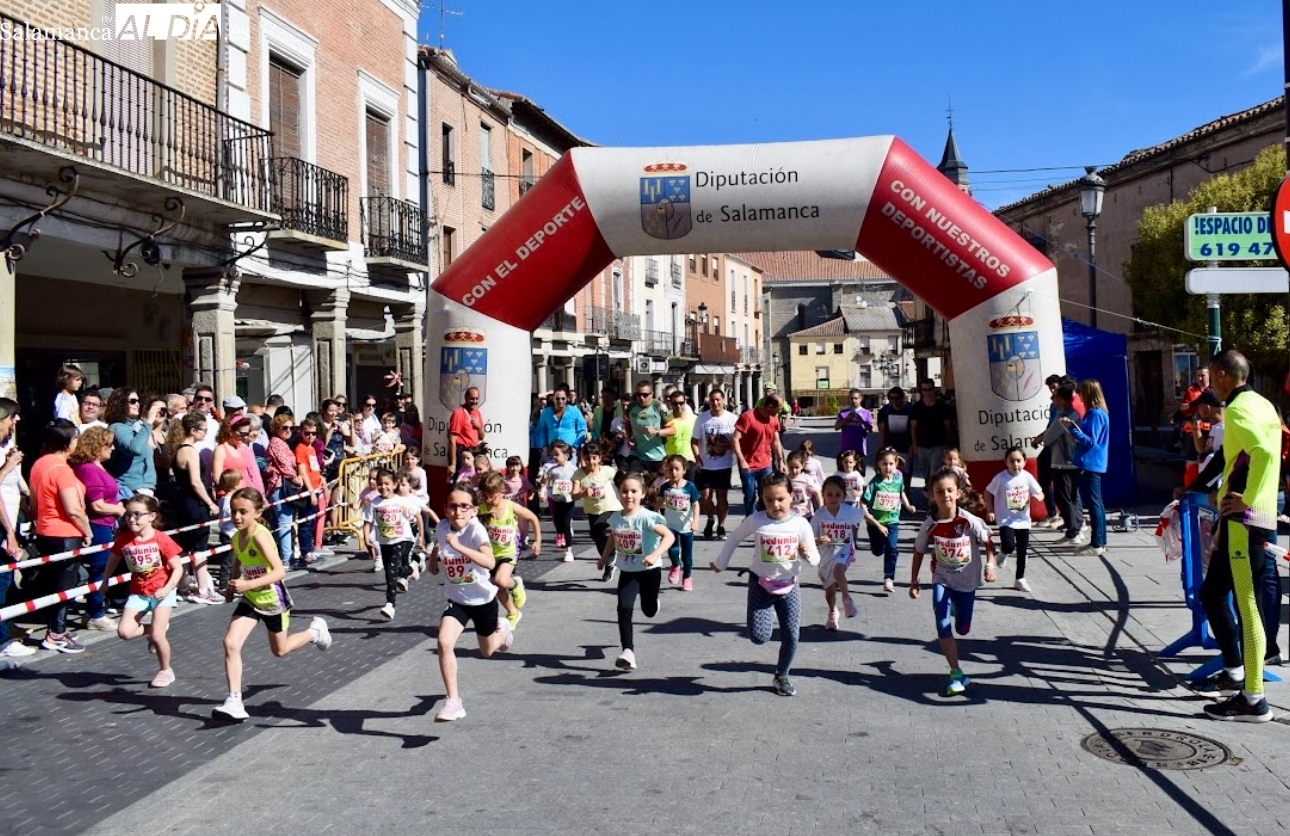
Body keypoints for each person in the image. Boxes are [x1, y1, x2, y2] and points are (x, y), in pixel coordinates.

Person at [1197, 350, 1281, 722]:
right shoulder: (1262, 403)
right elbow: (1244, 457)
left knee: (1247, 605)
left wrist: (1246, 499)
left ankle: (1254, 698)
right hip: (1248, 516)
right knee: (1213, 592)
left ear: (1220, 374)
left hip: (1245, 520)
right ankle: (1234, 672)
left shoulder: (1237, 409)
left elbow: (1262, 453)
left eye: (1211, 377)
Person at [212, 488, 333, 723]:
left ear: (258, 512)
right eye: (234, 512)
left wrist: (247, 584)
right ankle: (234, 701)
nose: (237, 517)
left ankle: (315, 632)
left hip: (272, 600)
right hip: (251, 598)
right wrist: (231, 587)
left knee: (280, 650)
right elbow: (239, 562)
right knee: (230, 643)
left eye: (243, 512)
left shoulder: (261, 535)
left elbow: (279, 572)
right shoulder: (237, 537)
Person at [712, 472, 820, 696]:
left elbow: (815, 559)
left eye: (780, 499)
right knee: (759, 637)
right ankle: (765, 614)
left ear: (791, 496)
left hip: (789, 586)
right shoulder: (757, 519)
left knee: (792, 635)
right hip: (761, 585)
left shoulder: (800, 524)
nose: (775, 505)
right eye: (769, 500)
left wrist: (806, 554)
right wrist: (721, 563)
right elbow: (734, 537)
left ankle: (782, 675)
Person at [429, 482, 514, 722]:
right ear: (445, 508)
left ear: (474, 510)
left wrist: (458, 546)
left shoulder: (476, 531)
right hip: (457, 600)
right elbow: (438, 554)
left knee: (487, 651)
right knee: (444, 641)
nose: (458, 511)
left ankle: (503, 630)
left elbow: (489, 562)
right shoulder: (442, 528)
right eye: (452, 506)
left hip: (483, 601)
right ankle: (453, 701)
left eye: (464, 506)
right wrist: (434, 558)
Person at [910, 468, 997, 696]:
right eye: (940, 492)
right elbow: (918, 551)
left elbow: (989, 543)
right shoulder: (930, 524)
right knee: (942, 624)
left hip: (967, 581)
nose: (945, 495)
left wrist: (990, 565)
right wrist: (914, 581)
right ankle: (956, 672)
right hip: (942, 578)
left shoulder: (969, 521)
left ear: (958, 493)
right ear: (932, 496)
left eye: (949, 490)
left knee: (963, 629)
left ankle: (957, 608)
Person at [101, 494, 184, 688]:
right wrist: (105, 580)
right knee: (125, 632)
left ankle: (165, 670)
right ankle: (152, 630)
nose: (132, 519)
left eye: (137, 515)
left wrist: (167, 588)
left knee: (158, 636)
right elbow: (113, 559)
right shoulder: (124, 539)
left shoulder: (161, 539)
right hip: (139, 592)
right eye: (128, 515)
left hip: (162, 592)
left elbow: (178, 568)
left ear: (152, 516)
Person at [597, 472, 674, 670]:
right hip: (628, 572)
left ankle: (652, 601)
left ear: (642, 494)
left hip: (650, 571)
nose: (628, 495)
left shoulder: (646, 517)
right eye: (624, 491)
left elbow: (669, 537)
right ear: (619, 494)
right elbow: (613, 537)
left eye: (633, 491)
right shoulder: (616, 518)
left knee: (649, 611)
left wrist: (655, 555)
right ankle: (628, 651)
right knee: (624, 608)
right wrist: (605, 558)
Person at [30, 419, 93, 653]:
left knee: (54, 582)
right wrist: (87, 531)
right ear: (67, 443)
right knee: (64, 586)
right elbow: (73, 509)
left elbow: (34, 501)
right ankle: (56, 633)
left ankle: (57, 626)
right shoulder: (62, 470)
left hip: (45, 530)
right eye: (75, 438)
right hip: (65, 533)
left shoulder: (39, 464)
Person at [69, 425, 124, 631]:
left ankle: (95, 610)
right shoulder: (89, 469)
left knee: (103, 570)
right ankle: (95, 613)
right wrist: (120, 510)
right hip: (97, 525)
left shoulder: (97, 467)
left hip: (106, 524)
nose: (112, 448)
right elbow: (97, 504)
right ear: (96, 445)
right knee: (100, 570)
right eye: (108, 444)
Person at [166, 413, 222, 600]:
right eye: (204, 430)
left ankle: (183, 587)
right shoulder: (189, 451)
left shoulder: (177, 450)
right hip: (194, 503)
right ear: (193, 430)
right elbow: (196, 482)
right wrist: (211, 503)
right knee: (199, 547)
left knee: (183, 546)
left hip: (182, 502)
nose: (206, 434)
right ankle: (204, 590)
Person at [478, 470, 540, 628]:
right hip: (491, 553)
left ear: (501, 493)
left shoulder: (510, 507)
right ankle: (513, 613)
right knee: (496, 587)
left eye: (491, 496)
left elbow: (533, 517)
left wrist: (537, 541)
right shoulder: (481, 508)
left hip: (509, 551)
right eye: (484, 496)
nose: (487, 499)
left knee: (500, 580)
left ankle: (515, 584)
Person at [364, 468, 424, 621]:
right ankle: (413, 566)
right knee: (389, 573)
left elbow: (417, 514)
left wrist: (421, 536)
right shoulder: (374, 503)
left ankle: (390, 604)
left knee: (392, 571)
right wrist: (366, 540)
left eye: (387, 483)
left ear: (394, 484)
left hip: (401, 539)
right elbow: (367, 522)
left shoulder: (401, 500)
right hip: (384, 542)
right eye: (380, 484)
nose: (383, 487)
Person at [1060, 379, 1110, 556]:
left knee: (1094, 503)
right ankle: (1100, 541)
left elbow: (1090, 440)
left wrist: (1071, 429)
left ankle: (1097, 543)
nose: (1079, 395)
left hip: (1090, 462)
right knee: (1097, 503)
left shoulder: (1095, 414)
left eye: (1081, 392)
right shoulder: (1098, 413)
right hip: (1093, 462)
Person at [0, 399, 34, 657]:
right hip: (2, 526)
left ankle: (7, 627)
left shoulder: (6, 447)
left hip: (12, 520)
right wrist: (9, 533)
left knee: (9, 580)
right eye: (13, 416)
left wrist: (29, 500)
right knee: (1, 582)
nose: (17, 420)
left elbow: (14, 484)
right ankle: (2, 641)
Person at [984, 447, 1044, 594]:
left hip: (1023, 520)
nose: (1015, 464)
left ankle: (1020, 578)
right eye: (1012, 461)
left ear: (1024, 462)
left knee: (1023, 550)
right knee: (1009, 545)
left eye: (1018, 461)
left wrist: (1038, 496)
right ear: (1006, 462)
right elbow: (987, 492)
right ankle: (1003, 552)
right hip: (1006, 519)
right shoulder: (1001, 478)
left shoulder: (1027, 477)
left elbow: (1040, 492)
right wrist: (990, 510)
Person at [813, 474, 865, 630]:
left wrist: (879, 525)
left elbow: (865, 515)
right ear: (823, 495)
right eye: (829, 494)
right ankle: (832, 612)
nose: (833, 498)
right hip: (825, 554)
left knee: (838, 570)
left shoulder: (849, 511)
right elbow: (810, 537)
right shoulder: (819, 515)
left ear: (843, 497)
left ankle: (847, 599)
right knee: (829, 590)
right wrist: (819, 540)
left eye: (838, 495)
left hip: (845, 549)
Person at [862, 448, 915, 594]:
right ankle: (879, 548)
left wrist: (908, 506)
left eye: (891, 464)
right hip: (875, 523)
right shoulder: (875, 483)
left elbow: (901, 493)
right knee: (877, 551)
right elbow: (863, 502)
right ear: (879, 464)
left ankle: (889, 578)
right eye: (884, 464)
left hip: (892, 521)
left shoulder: (898, 480)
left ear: (896, 464)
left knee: (892, 548)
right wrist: (870, 518)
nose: (888, 467)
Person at [1035, 384, 1082, 538]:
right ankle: (1076, 525)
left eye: (1054, 396)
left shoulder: (1064, 415)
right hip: (1074, 460)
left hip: (1063, 461)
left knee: (1063, 497)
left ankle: (1073, 531)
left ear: (1061, 399)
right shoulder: (1075, 412)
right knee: (1073, 495)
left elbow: (1048, 438)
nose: (1052, 398)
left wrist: (1044, 437)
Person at [694, 387, 738, 540]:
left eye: (718, 400)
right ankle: (710, 518)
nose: (715, 403)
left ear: (723, 401)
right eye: (712, 400)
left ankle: (721, 526)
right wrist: (697, 457)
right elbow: (694, 440)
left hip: (723, 465)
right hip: (705, 465)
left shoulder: (732, 418)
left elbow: (737, 441)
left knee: (722, 496)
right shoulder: (702, 418)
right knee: (705, 496)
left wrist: (725, 446)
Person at [732, 394, 786, 517]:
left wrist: (780, 460)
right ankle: (750, 519)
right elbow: (735, 439)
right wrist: (742, 460)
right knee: (749, 496)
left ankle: (767, 519)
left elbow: (775, 441)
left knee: (767, 494)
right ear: (770, 406)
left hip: (765, 464)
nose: (780, 411)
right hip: (748, 465)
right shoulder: (748, 417)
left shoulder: (774, 419)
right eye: (779, 408)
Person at [105, 388, 164, 498]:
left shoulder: (136, 427)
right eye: (132, 401)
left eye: (138, 401)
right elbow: (133, 448)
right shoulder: (117, 427)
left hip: (145, 487)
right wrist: (149, 422)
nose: (137, 404)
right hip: (130, 488)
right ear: (120, 403)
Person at [572, 442, 621, 574]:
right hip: (593, 511)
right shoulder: (579, 474)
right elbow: (574, 495)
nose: (591, 462)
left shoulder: (606, 471)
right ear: (583, 458)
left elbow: (620, 477)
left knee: (599, 530)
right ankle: (609, 560)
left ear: (600, 458)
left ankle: (612, 555)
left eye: (594, 458)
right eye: (588, 458)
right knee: (595, 535)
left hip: (610, 508)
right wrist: (582, 494)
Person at [264, 413, 303, 572]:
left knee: (278, 523)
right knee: (284, 521)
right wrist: (295, 477)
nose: (288, 431)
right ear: (276, 428)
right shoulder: (276, 443)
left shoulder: (283, 443)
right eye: (284, 427)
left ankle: (277, 556)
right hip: (279, 485)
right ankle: (287, 558)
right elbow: (284, 464)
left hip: (281, 485)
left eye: (291, 428)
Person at [658, 454, 701, 591]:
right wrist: (656, 514)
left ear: (684, 470)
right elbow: (659, 502)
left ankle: (687, 577)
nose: (674, 472)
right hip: (670, 524)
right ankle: (675, 565)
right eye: (670, 469)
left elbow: (696, 505)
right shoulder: (665, 487)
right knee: (672, 549)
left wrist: (695, 521)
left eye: (677, 469)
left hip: (686, 526)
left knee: (687, 555)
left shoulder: (690, 486)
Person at [910, 379, 954, 499]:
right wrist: (914, 445)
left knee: (935, 472)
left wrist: (948, 444)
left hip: (939, 445)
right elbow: (913, 427)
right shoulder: (917, 407)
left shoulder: (943, 407)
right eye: (924, 390)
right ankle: (931, 495)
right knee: (926, 474)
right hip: (922, 445)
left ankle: (934, 499)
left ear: (934, 389)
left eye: (929, 390)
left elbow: (948, 426)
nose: (927, 393)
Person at [294, 418, 324, 567]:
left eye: (313, 433)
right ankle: (305, 552)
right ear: (301, 432)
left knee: (311, 521)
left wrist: (321, 481)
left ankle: (309, 549)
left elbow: (314, 469)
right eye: (307, 433)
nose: (310, 436)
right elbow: (303, 471)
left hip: (316, 487)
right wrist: (311, 491)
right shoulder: (301, 448)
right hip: (308, 490)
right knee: (305, 522)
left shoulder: (311, 448)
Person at [626, 382, 674, 474]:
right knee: (632, 479)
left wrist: (656, 432)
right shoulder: (632, 407)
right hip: (637, 455)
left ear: (652, 394)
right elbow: (627, 422)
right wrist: (629, 438)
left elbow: (672, 430)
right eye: (638, 395)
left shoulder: (659, 406)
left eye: (645, 395)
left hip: (657, 456)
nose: (641, 398)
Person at [543, 440, 577, 557]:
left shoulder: (573, 469)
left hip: (569, 501)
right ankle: (560, 532)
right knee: (558, 524)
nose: (554, 457)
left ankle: (569, 551)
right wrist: (542, 491)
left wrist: (576, 491)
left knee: (566, 524)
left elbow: (579, 482)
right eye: (553, 454)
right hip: (556, 501)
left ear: (566, 456)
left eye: (557, 454)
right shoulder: (553, 469)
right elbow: (545, 483)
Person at [535, 384, 588, 459]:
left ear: (567, 399)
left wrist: (575, 446)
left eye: (563, 398)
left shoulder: (575, 411)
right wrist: (544, 446)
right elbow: (541, 431)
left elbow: (582, 430)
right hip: (551, 453)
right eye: (557, 398)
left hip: (570, 453)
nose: (560, 401)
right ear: (553, 399)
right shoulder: (546, 412)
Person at [834, 389, 873, 477]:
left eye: (856, 398)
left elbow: (871, 429)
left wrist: (861, 420)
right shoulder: (843, 412)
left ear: (861, 399)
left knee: (859, 476)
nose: (853, 401)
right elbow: (836, 427)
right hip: (845, 449)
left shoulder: (866, 413)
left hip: (859, 450)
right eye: (851, 398)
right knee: (843, 475)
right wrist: (846, 419)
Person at [877, 387, 914, 480]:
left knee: (905, 474)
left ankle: (906, 489)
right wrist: (882, 445)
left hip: (905, 447)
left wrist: (913, 445)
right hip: (890, 447)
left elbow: (913, 428)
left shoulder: (909, 410)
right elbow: (882, 428)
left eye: (897, 398)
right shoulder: (885, 410)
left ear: (902, 398)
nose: (894, 401)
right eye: (891, 398)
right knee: (889, 473)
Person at [663, 390, 697, 479]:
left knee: (690, 487)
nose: (678, 406)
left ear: (685, 402)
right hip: (672, 462)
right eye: (675, 403)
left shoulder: (695, 419)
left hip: (690, 461)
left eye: (681, 403)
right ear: (671, 403)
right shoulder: (666, 420)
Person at [785, 452, 821, 521]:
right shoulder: (785, 479)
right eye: (791, 467)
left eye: (797, 467)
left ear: (802, 465)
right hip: (790, 514)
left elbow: (817, 492)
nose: (794, 470)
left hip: (805, 514)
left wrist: (821, 508)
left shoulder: (806, 479)